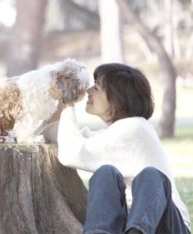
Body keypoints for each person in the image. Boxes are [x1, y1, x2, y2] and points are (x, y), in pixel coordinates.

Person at [42, 63, 191, 234]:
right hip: (132, 225)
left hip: (167, 227)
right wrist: (58, 107)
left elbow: (71, 153)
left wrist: (69, 103)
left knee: (151, 175)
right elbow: (62, 138)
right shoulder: (116, 133)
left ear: (118, 98)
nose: (89, 91)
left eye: (96, 87)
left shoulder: (134, 129)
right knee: (106, 173)